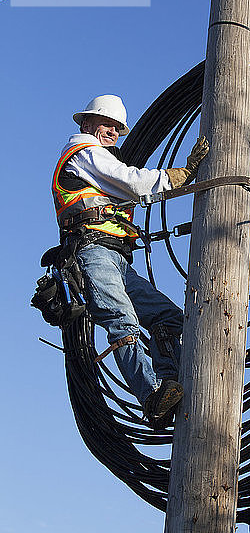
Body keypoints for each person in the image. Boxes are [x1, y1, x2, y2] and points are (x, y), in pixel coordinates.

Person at [52, 94, 209, 429]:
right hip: (93, 252)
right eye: (107, 124)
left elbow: (130, 189)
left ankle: (169, 383)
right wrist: (181, 173)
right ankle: (151, 395)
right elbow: (136, 183)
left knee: (167, 317)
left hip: (119, 259)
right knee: (121, 320)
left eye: (117, 128)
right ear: (87, 124)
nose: (113, 132)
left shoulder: (100, 166)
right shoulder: (84, 153)